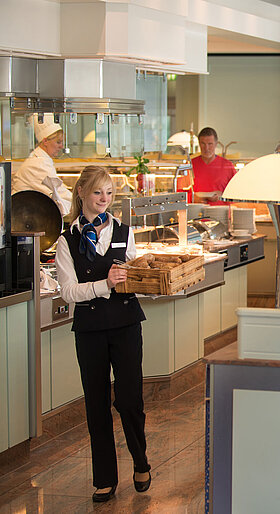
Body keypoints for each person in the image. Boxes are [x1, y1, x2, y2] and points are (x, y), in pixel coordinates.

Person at [54, 166, 151, 503]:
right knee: (96, 404)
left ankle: (141, 461)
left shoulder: (125, 233)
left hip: (126, 325)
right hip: (90, 329)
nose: (104, 200)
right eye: (98, 193)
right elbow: (68, 292)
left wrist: (138, 278)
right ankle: (105, 478)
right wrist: (103, 284)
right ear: (81, 192)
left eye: (109, 194)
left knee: (129, 400)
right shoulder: (66, 241)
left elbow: (136, 276)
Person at [11, 113, 73, 215]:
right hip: (22, 216)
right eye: (58, 142)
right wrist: (82, 202)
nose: (61, 146)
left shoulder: (41, 159)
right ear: (45, 141)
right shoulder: (37, 163)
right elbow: (58, 191)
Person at [190, 127, 236, 205]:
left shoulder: (227, 166)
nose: (206, 148)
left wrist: (222, 196)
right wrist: (193, 198)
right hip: (196, 214)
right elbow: (180, 193)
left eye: (210, 144)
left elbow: (235, 193)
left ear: (216, 144)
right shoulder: (189, 166)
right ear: (199, 143)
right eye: (203, 143)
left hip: (221, 213)